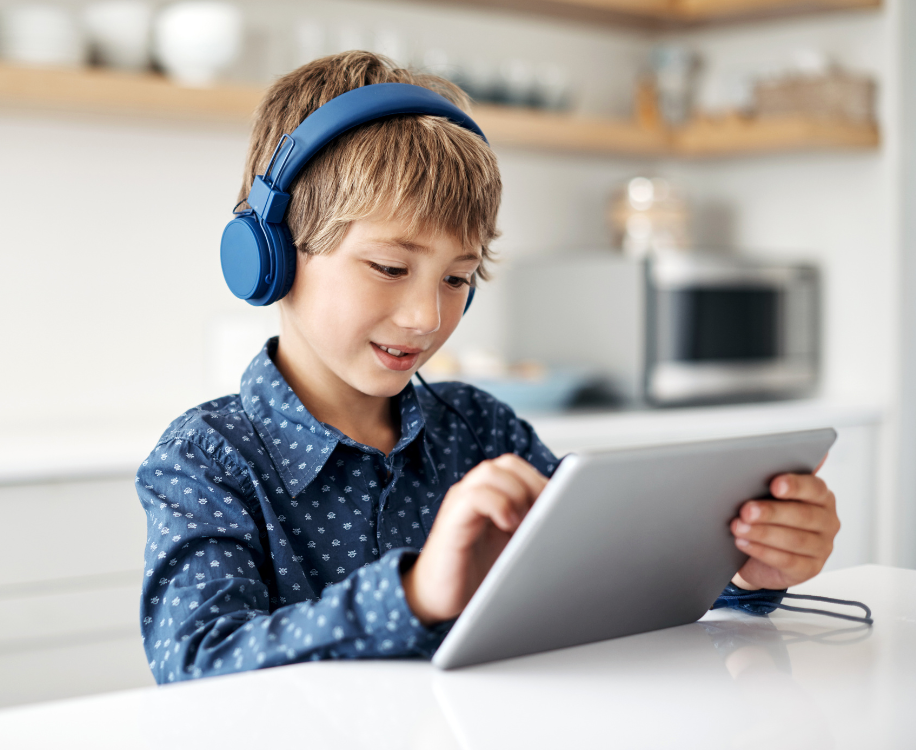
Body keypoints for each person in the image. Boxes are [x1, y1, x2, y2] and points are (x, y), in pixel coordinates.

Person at [135, 51, 841, 684]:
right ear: (270, 256)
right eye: (388, 267)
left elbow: (600, 584)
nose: (425, 317)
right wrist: (414, 595)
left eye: (456, 278)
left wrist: (746, 571)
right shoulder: (207, 461)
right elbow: (197, 662)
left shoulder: (477, 430)